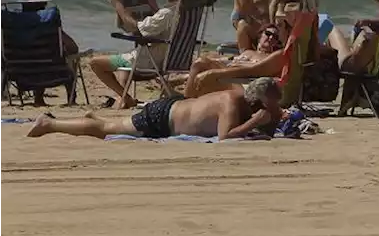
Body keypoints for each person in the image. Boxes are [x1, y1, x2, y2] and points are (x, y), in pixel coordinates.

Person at [27, 76, 283, 141]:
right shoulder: (231, 103)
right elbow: (225, 137)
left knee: (114, 124)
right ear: (256, 101)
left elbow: (268, 129)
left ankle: (92, 115)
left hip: (174, 108)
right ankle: (49, 124)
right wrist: (254, 122)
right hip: (163, 118)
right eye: (267, 106)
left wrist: (274, 117)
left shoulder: (246, 101)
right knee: (105, 130)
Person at [88, 0, 189, 109]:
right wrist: (155, 10)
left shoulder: (167, 13)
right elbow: (163, 28)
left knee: (95, 63)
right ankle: (123, 96)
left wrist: (118, 6)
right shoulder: (185, 13)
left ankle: (126, 98)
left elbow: (137, 27)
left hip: (150, 61)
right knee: (125, 60)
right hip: (173, 58)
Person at [184, 13, 293, 98]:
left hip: (241, 84)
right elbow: (243, 25)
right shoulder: (248, 51)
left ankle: (186, 101)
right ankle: (187, 96)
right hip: (230, 76)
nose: (271, 38)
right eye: (268, 34)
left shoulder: (277, 55)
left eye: (275, 37)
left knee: (200, 64)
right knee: (201, 61)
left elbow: (252, 71)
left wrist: (215, 73)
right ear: (260, 35)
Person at [18, 0, 80, 107]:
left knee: (36, 60)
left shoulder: (12, 25)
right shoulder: (47, 24)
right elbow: (73, 48)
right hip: (52, 71)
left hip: (19, 72)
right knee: (68, 58)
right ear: (43, 7)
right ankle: (71, 98)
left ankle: (38, 98)